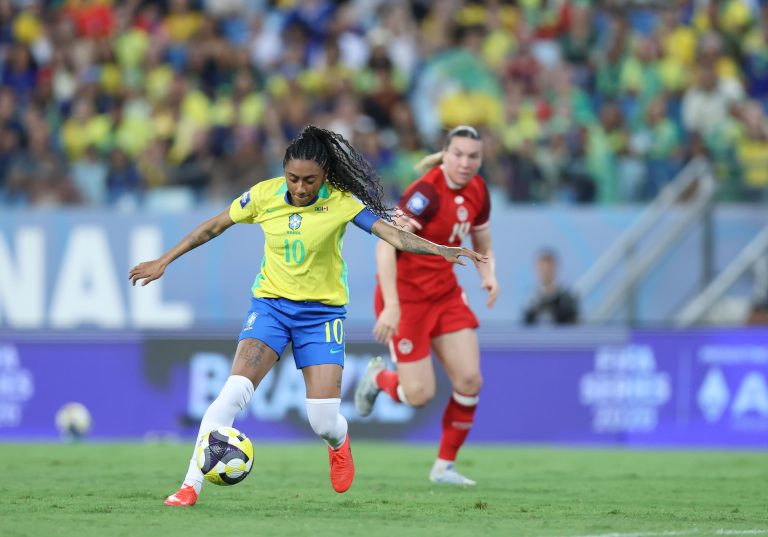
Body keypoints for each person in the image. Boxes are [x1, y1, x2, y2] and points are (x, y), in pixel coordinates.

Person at [128, 125, 487, 506]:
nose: (300, 188)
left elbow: (394, 236)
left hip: (321, 316)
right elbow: (214, 226)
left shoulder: (342, 202)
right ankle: (188, 487)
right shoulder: (264, 195)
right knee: (230, 395)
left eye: (310, 181)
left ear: (325, 176)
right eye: (293, 179)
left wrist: (441, 250)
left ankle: (339, 442)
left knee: (323, 421)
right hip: (271, 307)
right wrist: (164, 260)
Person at [354, 125, 499, 486]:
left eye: (473, 156)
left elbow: (483, 245)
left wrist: (489, 275)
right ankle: (379, 378)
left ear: (480, 159)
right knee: (419, 395)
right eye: (458, 154)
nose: (465, 163)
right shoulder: (426, 193)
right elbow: (385, 245)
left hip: (445, 295)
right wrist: (391, 306)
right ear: (445, 154)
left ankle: (443, 467)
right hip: (406, 300)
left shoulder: (479, 190)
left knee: (469, 380)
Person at [523, 248, 579, 325]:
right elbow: (526, 323)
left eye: (548, 268)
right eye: (542, 268)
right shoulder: (531, 299)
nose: (545, 271)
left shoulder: (567, 297)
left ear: (555, 268)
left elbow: (573, 323)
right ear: (537, 269)